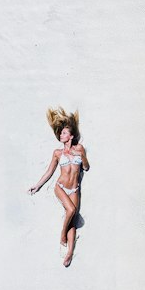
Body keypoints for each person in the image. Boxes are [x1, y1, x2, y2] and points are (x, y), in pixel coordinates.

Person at [29, 107, 89, 267]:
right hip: (61, 186)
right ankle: (62, 236)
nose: (61, 135)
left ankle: (69, 252)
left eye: (63, 133)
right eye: (60, 133)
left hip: (75, 189)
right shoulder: (57, 153)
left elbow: (86, 167)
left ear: (71, 136)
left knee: (73, 221)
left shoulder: (79, 149)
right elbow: (50, 171)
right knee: (71, 211)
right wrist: (37, 185)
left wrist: (81, 156)